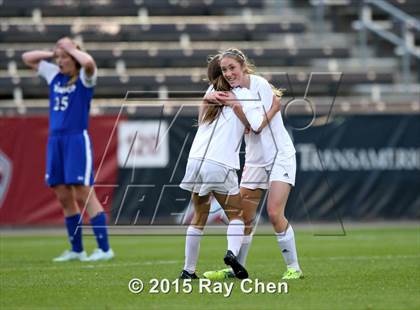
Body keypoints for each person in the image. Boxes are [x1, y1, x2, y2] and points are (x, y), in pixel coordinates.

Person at [203, 48, 303, 281]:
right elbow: (207, 96)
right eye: (224, 69)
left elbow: (256, 126)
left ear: (243, 66)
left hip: (280, 155)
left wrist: (240, 108)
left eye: (231, 68)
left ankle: (294, 268)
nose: (228, 73)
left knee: (274, 213)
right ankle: (237, 269)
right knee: (244, 217)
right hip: (255, 159)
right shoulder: (231, 90)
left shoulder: (259, 85)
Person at [22, 37, 114, 262]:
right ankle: (77, 249)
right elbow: (27, 58)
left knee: (83, 190)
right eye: (60, 57)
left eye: (65, 58)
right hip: (56, 140)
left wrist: (72, 49)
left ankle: (104, 249)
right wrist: (53, 54)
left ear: (74, 58)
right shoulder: (54, 75)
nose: (61, 61)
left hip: (75, 139)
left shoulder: (84, 77)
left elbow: (90, 63)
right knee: (62, 194)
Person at [179, 55, 269, 279]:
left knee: (199, 216)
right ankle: (231, 254)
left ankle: (188, 271)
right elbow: (256, 127)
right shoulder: (246, 95)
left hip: (195, 160)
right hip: (219, 163)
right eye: (227, 69)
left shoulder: (211, 91)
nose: (230, 73)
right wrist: (273, 108)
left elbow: (201, 120)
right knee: (238, 215)